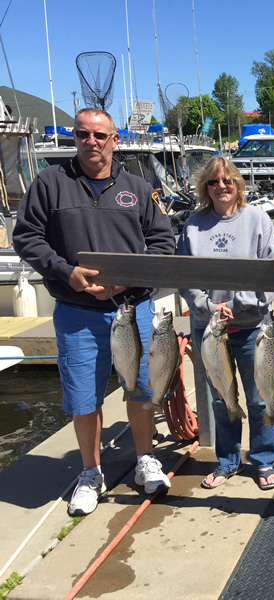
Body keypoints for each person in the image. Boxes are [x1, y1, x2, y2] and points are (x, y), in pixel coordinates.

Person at [13, 108, 175, 517]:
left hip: (133, 307)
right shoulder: (50, 183)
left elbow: (163, 242)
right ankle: (91, 472)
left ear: (114, 139)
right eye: (83, 134)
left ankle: (144, 459)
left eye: (100, 135)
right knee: (83, 398)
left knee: (141, 389)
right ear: (75, 138)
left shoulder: (137, 188)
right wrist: (66, 273)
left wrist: (129, 278)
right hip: (76, 312)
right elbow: (27, 237)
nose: (92, 142)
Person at [177, 156, 274, 491]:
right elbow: (184, 276)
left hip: (252, 327)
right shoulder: (193, 225)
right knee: (222, 397)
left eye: (227, 180)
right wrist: (208, 306)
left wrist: (251, 303)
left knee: (259, 397)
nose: (221, 187)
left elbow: (273, 269)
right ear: (205, 187)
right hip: (209, 329)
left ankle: (264, 459)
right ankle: (227, 460)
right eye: (213, 182)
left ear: (238, 184)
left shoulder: (258, 219)